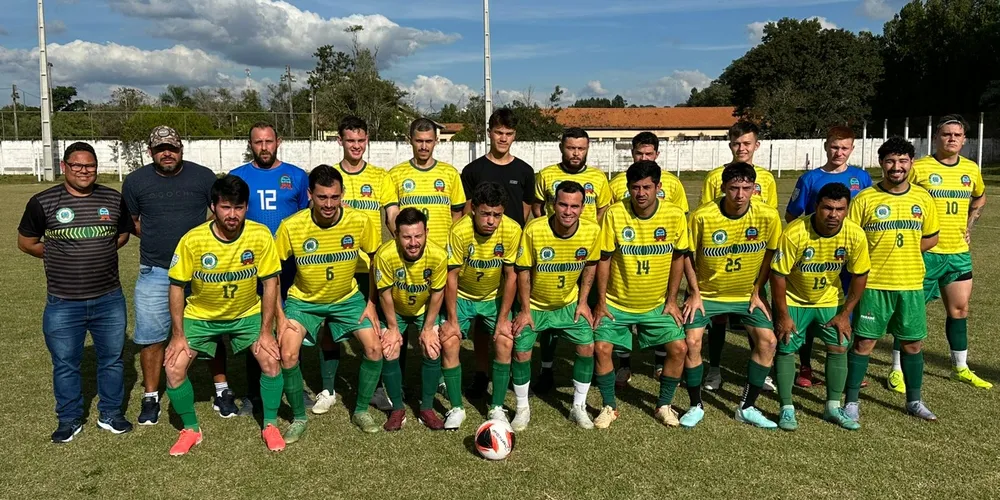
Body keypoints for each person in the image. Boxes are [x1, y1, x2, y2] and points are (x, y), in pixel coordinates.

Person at [18, 142, 135, 442]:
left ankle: (110, 414)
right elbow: (27, 242)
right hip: (63, 302)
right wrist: (58, 255)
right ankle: (69, 419)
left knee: (112, 359)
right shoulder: (43, 202)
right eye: (77, 165)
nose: (84, 171)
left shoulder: (112, 198)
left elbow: (121, 234)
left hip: (109, 298)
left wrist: (95, 252)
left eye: (90, 166)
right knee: (66, 363)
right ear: (64, 167)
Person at [164, 175, 285, 455]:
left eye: (239, 207)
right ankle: (191, 430)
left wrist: (267, 331)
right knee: (173, 367)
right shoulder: (192, 240)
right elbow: (176, 286)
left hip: (246, 314)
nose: (233, 215)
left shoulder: (260, 234)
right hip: (201, 317)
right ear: (213, 206)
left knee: (271, 359)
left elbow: (270, 283)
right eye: (226, 207)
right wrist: (178, 335)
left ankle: (270, 425)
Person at [274, 165, 384, 440]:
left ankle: (360, 410)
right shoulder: (292, 226)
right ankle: (298, 417)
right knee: (287, 353)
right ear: (310, 194)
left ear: (342, 194)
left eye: (335, 197)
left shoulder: (360, 221)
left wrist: (371, 302)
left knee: (374, 348)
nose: (329, 204)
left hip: (347, 299)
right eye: (322, 197)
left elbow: (375, 261)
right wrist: (278, 312)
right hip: (303, 302)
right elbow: (272, 273)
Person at [122, 125, 221, 425]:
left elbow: (216, 213)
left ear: (181, 149)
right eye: (159, 148)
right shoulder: (135, 181)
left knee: (212, 330)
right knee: (152, 337)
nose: (167, 153)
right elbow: (134, 223)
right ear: (150, 151)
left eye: (172, 148)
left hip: (201, 272)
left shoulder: (203, 176)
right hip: (156, 271)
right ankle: (151, 396)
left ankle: (222, 388)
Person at [844, 137, 940, 422]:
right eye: (890, 161)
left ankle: (914, 400)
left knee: (912, 345)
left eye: (902, 161)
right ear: (881, 163)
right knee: (864, 344)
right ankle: (851, 401)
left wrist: (907, 249)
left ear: (911, 163)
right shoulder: (864, 198)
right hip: (874, 285)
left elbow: (932, 236)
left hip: (910, 284)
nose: (896, 167)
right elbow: (852, 238)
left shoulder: (923, 198)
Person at [681, 162, 782, 429]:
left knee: (768, 341)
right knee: (692, 342)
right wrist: (694, 293)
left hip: (746, 294)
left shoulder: (768, 216)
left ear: (754, 189)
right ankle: (695, 405)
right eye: (734, 188)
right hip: (707, 294)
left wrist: (758, 290)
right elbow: (686, 255)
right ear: (723, 187)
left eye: (746, 188)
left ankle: (747, 407)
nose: (740, 195)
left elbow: (770, 253)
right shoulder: (702, 216)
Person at [591, 161, 690, 428]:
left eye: (647, 187)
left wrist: (671, 300)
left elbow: (678, 258)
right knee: (601, 347)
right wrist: (600, 303)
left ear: (658, 187)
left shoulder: (674, 215)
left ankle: (664, 405)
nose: (641, 193)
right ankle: (609, 406)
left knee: (679, 347)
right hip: (617, 302)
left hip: (656, 304)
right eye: (635, 187)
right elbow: (604, 259)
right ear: (628, 188)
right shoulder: (614, 214)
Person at [771, 182, 870, 431]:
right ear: (817, 206)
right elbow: (778, 275)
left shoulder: (855, 234)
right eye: (827, 208)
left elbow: (860, 275)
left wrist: (846, 313)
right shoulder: (795, 233)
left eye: (840, 209)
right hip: (794, 299)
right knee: (785, 346)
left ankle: (832, 407)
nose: (833, 214)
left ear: (847, 209)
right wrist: (782, 315)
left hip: (829, 299)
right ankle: (786, 408)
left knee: (839, 345)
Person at [229, 122, 311, 414]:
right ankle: (254, 392)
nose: (264, 147)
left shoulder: (298, 177)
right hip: (251, 268)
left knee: (289, 327)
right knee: (257, 327)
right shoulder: (238, 177)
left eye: (268, 141)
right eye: (257, 142)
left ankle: (294, 386)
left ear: (279, 141)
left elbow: (305, 222)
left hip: (289, 267)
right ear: (250, 144)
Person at [904, 114, 990, 390]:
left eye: (957, 135)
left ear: (964, 139)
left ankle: (960, 367)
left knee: (960, 309)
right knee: (910, 312)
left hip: (957, 252)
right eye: (946, 134)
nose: (952, 138)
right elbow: (900, 194)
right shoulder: (920, 168)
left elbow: (980, 196)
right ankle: (896, 369)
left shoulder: (971, 169)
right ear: (936, 138)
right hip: (926, 251)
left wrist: (970, 222)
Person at [783, 126, 873, 389]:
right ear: (826, 146)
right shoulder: (810, 178)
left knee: (846, 308)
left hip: (849, 255)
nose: (839, 152)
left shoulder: (862, 178)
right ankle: (806, 367)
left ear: (852, 149)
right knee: (808, 312)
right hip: (816, 257)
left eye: (844, 148)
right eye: (834, 146)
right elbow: (793, 216)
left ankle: (841, 367)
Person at [509, 181, 602, 431]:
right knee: (521, 352)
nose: (568, 211)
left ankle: (578, 407)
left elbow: (591, 265)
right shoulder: (534, 230)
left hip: (568, 304)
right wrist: (526, 310)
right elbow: (523, 271)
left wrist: (583, 303)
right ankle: (522, 409)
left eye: (575, 206)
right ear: (552, 205)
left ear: (583, 208)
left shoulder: (592, 231)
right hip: (536, 306)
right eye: (562, 204)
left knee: (587, 346)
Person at [387, 118, 466, 399]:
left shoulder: (449, 173)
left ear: (436, 141)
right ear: (411, 140)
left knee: (439, 320)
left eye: (428, 141)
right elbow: (392, 217)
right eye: (418, 140)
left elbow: (458, 214)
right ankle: (397, 382)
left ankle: (442, 377)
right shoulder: (395, 175)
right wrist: (407, 244)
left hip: (440, 260)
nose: (423, 146)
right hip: (408, 260)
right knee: (404, 318)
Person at [459, 108, 535, 399]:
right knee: (480, 321)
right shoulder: (473, 170)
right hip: (481, 256)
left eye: (509, 134)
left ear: (514, 136)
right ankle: (481, 374)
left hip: (511, 255)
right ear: (489, 132)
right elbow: (467, 212)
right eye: (498, 132)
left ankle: (512, 375)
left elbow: (525, 214)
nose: (503, 138)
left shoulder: (525, 171)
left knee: (509, 317)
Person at [699, 120, 779, 393]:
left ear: (757, 145)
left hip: (751, 260)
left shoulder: (766, 178)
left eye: (747, 143)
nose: (741, 148)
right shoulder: (714, 177)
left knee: (756, 313)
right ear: (730, 145)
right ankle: (714, 369)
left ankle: (759, 372)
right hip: (720, 262)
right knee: (718, 319)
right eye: (736, 143)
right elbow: (706, 222)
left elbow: (769, 224)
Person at [532, 127, 611, 393]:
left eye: (581, 148)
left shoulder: (598, 178)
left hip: (585, 253)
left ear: (587, 149)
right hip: (554, 252)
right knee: (550, 311)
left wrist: (590, 241)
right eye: (571, 147)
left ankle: (597, 367)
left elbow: (603, 212)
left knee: (587, 310)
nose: (576, 153)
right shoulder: (546, 175)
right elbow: (536, 209)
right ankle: (546, 367)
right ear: (561, 147)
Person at [607, 131, 689, 388]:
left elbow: (679, 237)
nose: (641, 192)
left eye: (648, 153)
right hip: (626, 265)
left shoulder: (673, 186)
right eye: (639, 153)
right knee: (622, 319)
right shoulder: (617, 187)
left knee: (663, 323)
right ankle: (624, 365)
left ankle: (659, 363)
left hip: (658, 266)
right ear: (632, 154)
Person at [331, 116, 400, 413]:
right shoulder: (330, 176)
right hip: (337, 266)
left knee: (376, 326)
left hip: (371, 268)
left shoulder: (381, 177)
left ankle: (377, 388)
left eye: (360, 141)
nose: (356, 146)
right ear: (340, 141)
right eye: (350, 141)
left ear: (367, 140)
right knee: (328, 327)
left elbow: (392, 218)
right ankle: (327, 388)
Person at [444, 182, 522, 428]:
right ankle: (456, 408)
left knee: (505, 339)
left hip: (493, 297)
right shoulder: (459, 231)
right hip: (463, 296)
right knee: (449, 340)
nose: (491, 221)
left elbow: (511, 276)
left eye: (497, 215)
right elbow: (451, 276)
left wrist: (502, 319)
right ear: (473, 209)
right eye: (485, 214)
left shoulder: (511, 229)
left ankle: (496, 407)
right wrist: (453, 320)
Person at [373, 208, 450, 431]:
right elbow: (384, 294)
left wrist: (427, 328)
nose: (413, 242)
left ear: (426, 231)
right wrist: (393, 328)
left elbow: (437, 294)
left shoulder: (438, 255)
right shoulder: (385, 255)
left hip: (424, 309)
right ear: (396, 234)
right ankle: (397, 409)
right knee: (390, 347)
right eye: (406, 237)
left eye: (418, 236)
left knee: (432, 346)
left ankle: (426, 409)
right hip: (395, 309)